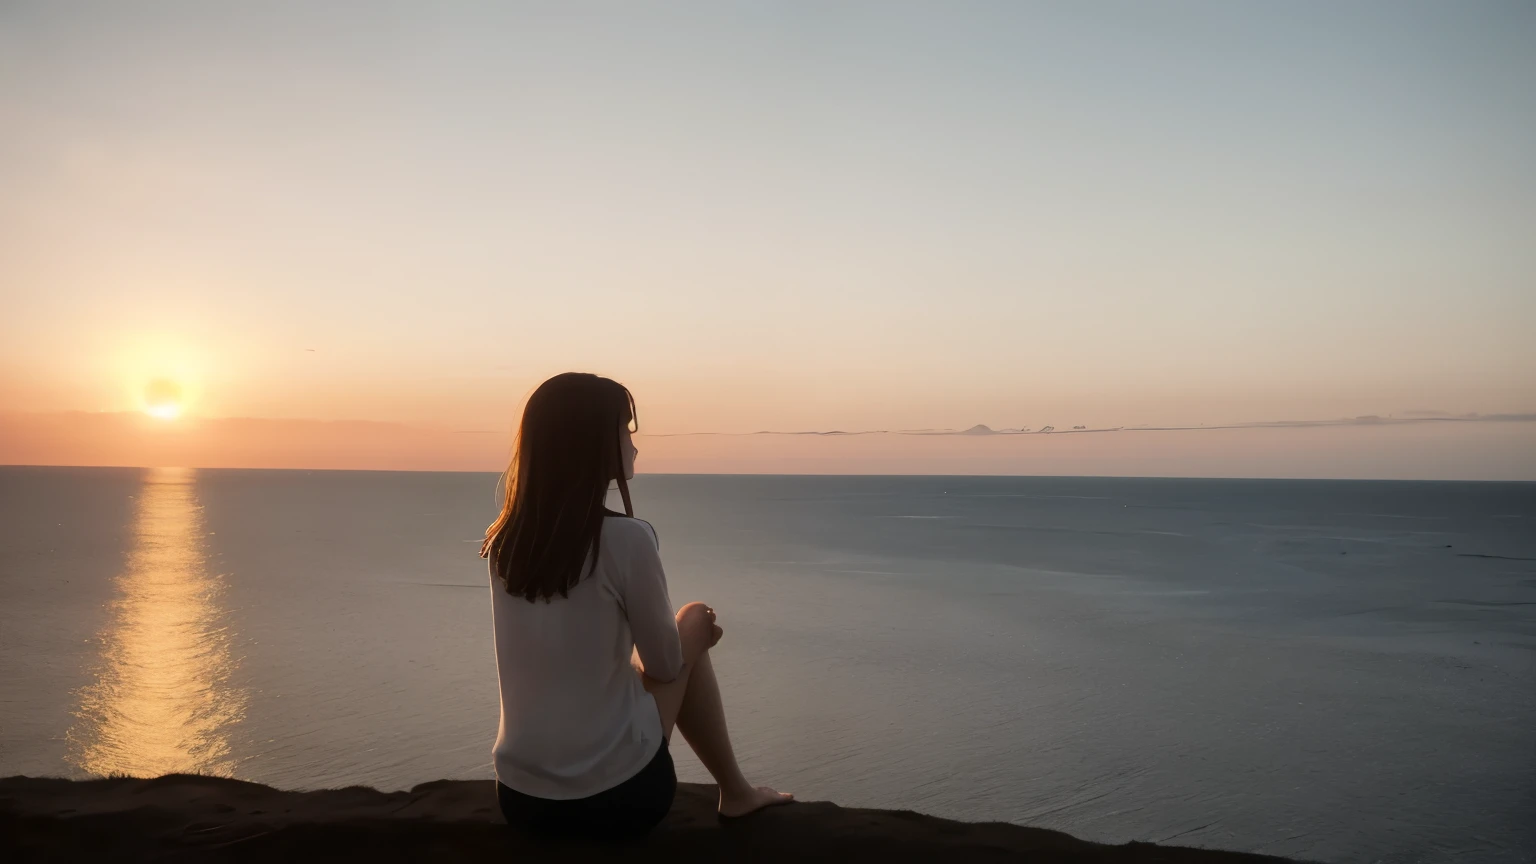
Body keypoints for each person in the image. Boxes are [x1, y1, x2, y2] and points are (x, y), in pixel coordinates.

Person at [482, 372, 792, 840]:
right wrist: (697, 634)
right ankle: (737, 792)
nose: (634, 444)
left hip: (521, 799)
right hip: (618, 800)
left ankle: (737, 791)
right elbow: (666, 667)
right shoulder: (627, 539)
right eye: (626, 431)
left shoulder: (506, 541)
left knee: (678, 638)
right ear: (593, 443)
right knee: (695, 617)